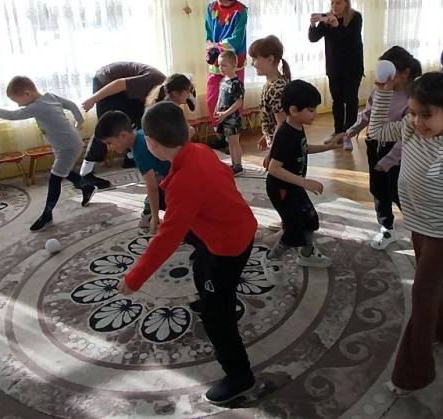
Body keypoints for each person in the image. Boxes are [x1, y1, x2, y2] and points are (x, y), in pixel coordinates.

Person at [117, 101, 257, 404]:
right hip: (237, 227)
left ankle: (240, 376)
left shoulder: (183, 183)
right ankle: (209, 295)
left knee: (216, 317)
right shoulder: (201, 150)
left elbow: (167, 239)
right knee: (200, 261)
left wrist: (133, 278)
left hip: (228, 247)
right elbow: (224, 181)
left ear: (151, 143)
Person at [368, 68, 443, 394]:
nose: (418, 122)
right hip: (419, 224)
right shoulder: (410, 129)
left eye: (427, 115)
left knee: (422, 293)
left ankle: (413, 374)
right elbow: (376, 131)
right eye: (413, 112)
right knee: (431, 285)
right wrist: (383, 91)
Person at [0, 76, 94, 231]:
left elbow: (13, 115)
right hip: (64, 145)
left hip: (68, 147)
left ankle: (47, 215)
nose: (19, 105)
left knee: (55, 178)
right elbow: (71, 105)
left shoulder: (37, 106)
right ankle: (87, 187)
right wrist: (79, 121)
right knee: (62, 172)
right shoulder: (50, 96)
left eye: (17, 101)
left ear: (27, 93)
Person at [261, 80, 343, 272]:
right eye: (311, 110)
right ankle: (271, 258)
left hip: (293, 186)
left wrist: (328, 147)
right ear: (294, 110)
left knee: (310, 218)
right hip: (281, 189)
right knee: (294, 228)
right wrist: (305, 182)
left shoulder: (297, 126)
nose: (315, 114)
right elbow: (274, 168)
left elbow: (303, 148)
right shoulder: (285, 134)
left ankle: (307, 255)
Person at [344, 46, 421, 250]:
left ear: (404, 73)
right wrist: (350, 131)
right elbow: (368, 114)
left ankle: (420, 227)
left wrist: (388, 161)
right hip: (374, 144)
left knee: (397, 190)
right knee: (378, 189)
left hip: (397, 152)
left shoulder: (412, 100)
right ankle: (387, 227)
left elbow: (405, 138)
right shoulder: (379, 90)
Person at [79, 62, 166, 189]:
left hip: (123, 91)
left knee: (140, 117)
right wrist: (93, 99)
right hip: (107, 82)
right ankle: (85, 175)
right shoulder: (153, 81)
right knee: (107, 128)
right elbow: (119, 84)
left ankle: (130, 158)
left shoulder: (161, 93)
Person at [94, 111, 171, 233]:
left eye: (109, 143)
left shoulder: (139, 151)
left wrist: (155, 217)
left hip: (179, 179)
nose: (109, 147)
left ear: (123, 136)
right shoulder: (140, 134)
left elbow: (151, 186)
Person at [309, 0, 364, 149]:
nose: (334, 6)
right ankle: (338, 131)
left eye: (338, 2)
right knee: (337, 100)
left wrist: (337, 25)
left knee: (351, 100)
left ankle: (348, 135)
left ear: (346, 2)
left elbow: (350, 40)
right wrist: (312, 24)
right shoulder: (327, 18)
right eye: (332, 2)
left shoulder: (355, 17)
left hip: (353, 67)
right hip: (334, 67)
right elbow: (313, 38)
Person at [205, 0, 249, 131]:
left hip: (233, 60)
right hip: (215, 60)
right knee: (212, 98)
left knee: (234, 97)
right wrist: (210, 47)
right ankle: (219, 132)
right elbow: (208, 32)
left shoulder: (241, 11)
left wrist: (218, 47)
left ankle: (233, 132)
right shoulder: (211, 8)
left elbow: (237, 39)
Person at [248, 35, 292, 161]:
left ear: (270, 59)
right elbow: (273, 119)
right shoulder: (270, 84)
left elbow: (282, 124)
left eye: (255, 59)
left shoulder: (276, 88)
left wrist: (271, 153)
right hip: (277, 144)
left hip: (282, 147)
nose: (252, 64)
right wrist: (266, 135)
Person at [215, 50, 245, 174]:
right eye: (219, 65)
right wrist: (217, 109)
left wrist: (226, 113)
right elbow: (220, 97)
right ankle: (233, 163)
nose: (221, 68)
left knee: (234, 142)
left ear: (234, 66)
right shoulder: (223, 81)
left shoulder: (236, 83)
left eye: (224, 65)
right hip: (223, 117)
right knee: (229, 142)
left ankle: (238, 165)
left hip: (232, 119)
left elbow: (238, 102)